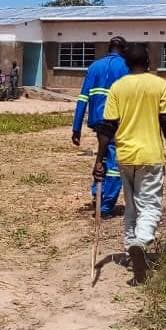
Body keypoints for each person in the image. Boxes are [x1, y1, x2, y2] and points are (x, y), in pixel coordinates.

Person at [93, 44, 166, 285]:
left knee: (131, 207)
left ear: (126, 64)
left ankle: (132, 249)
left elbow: (107, 127)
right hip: (151, 157)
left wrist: (99, 160)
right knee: (150, 206)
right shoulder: (158, 84)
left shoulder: (117, 87)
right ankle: (140, 244)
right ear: (148, 61)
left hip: (125, 156)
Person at [73, 36, 129, 217]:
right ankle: (105, 205)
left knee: (102, 155)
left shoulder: (94, 66)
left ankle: (98, 191)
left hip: (98, 120)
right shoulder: (126, 68)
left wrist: (76, 127)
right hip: (116, 121)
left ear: (109, 48)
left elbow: (83, 98)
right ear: (124, 49)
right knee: (115, 162)